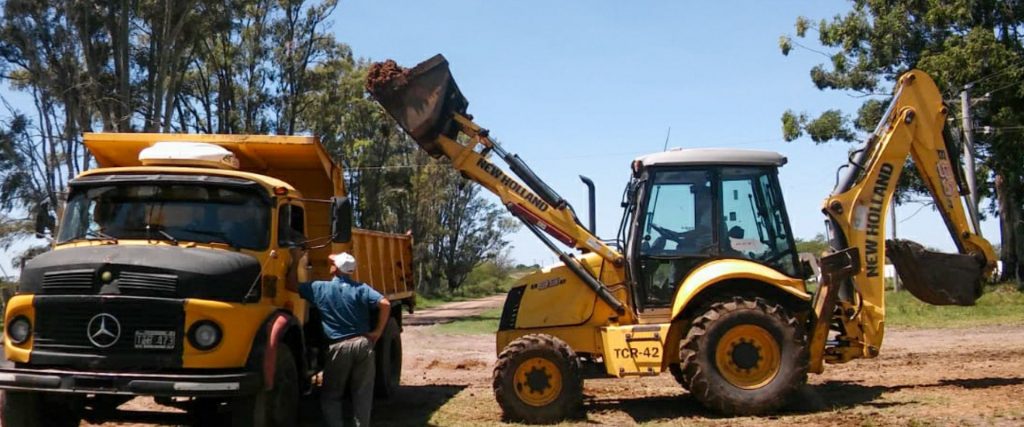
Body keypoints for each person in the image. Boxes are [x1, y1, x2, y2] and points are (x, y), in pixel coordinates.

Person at [298, 252, 390, 427]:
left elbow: (290, 285)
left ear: (335, 269)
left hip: (339, 347)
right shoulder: (362, 288)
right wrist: (377, 332)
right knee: (362, 394)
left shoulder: (319, 288)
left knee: (332, 395)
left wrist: (296, 259)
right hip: (363, 344)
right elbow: (385, 304)